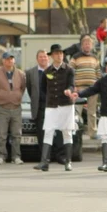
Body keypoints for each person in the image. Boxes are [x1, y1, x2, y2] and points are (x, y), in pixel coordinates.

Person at [35, 44, 76, 172]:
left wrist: (69, 91)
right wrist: (48, 98)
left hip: (66, 105)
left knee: (67, 132)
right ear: (52, 56)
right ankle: (44, 162)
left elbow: (72, 84)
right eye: (56, 53)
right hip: (52, 105)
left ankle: (68, 162)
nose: (59, 55)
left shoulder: (69, 70)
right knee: (48, 131)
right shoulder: (47, 71)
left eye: (61, 53)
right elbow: (42, 89)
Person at [0, 52, 26, 165]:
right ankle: (1, 156)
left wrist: (16, 97)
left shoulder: (20, 74)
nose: (9, 61)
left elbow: (23, 88)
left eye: (11, 59)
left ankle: (16, 157)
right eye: (7, 59)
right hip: (2, 108)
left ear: (14, 60)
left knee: (16, 134)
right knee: (1, 134)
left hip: (16, 107)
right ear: (3, 61)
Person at [69, 34, 101, 140]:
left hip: (92, 89)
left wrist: (98, 86)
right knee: (77, 111)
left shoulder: (95, 58)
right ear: (82, 45)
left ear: (91, 46)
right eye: (85, 43)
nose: (87, 45)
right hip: (79, 89)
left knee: (92, 112)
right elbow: (70, 72)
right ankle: (75, 131)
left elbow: (98, 73)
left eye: (89, 43)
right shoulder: (75, 57)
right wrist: (74, 86)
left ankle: (93, 132)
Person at [26, 50, 49, 159]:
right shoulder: (30, 72)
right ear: (37, 59)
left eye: (44, 56)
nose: (43, 59)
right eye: (40, 57)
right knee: (41, 132)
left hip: (52, 106)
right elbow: (30, 90)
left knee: (52, 132)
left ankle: (55, 155)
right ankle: (43, 157)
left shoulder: (53, 70)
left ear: (48, 58)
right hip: (39, 106)